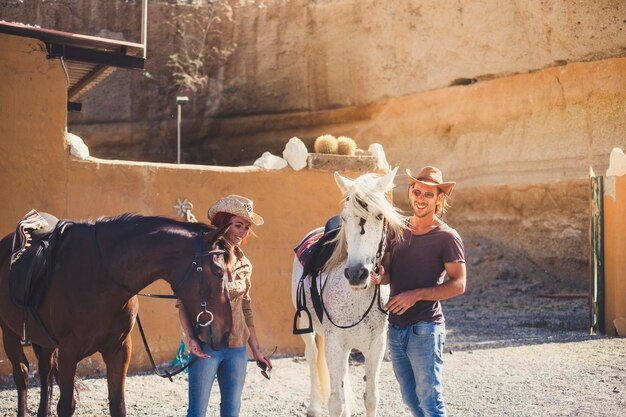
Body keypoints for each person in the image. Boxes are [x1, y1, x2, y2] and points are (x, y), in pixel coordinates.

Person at [372, 166, 466, 417]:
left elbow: (459, 284)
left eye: (428, 194)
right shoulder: (396, 227)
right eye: (417, 192)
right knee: (410, 399)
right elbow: (389, 273)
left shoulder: (446, 237)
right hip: (396, 327)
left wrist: (415, 295)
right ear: (410, 192)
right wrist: (380, 277)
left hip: (425, 328)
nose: (421, 199)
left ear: (439, 199)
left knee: (430, 400)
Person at [177, 194, 273, 417]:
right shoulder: (203, 258)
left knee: (232, 411)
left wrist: (256, 350)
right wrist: (190, 338)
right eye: (238, 225)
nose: (243, 232)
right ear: (222, 223)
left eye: (246, 227)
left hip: (237, 349)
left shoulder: (244, 262)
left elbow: (246, 307)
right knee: (197, 412)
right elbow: (183, 303)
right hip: (206, 346)